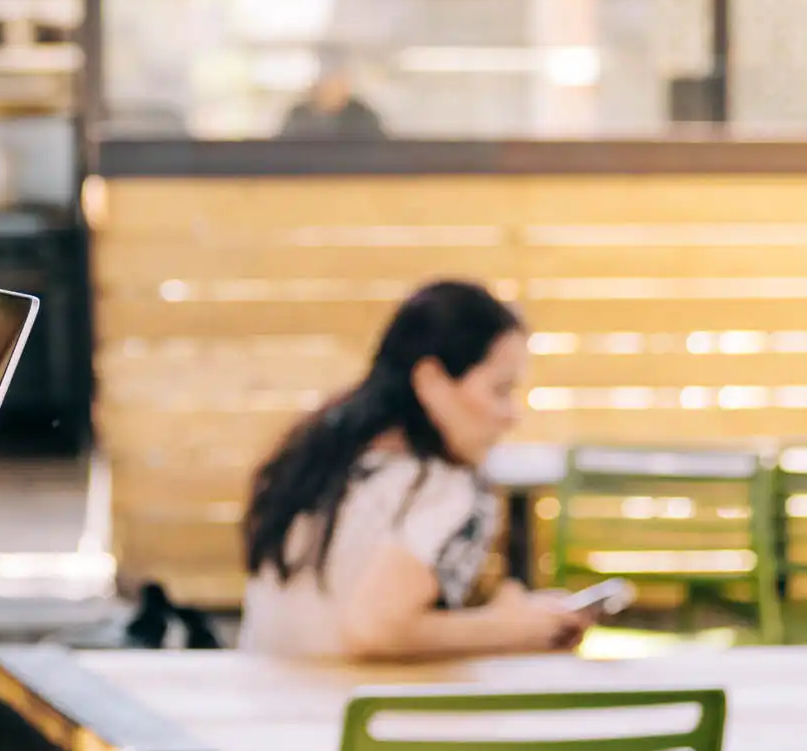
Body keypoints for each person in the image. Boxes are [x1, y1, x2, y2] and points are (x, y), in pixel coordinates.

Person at [238, 279, 588, 661]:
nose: (512, 416)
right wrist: (513, 628)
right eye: (500, 390)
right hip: (345, 714)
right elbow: (375, 628)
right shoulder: (437, 487)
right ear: (432, 381)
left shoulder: (320, 452)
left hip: (260, 700)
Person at [277, 46, 386, 141]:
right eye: (324, 79)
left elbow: (379, 153)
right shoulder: (299, 116)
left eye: (333, 78)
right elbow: (281, 153)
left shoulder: (362, 116)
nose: (327, 87)